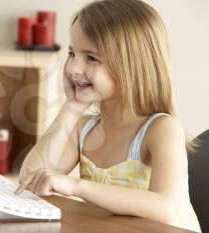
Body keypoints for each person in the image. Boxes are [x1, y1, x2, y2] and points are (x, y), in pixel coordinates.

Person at [14, 0, 201, 232]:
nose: (73, 68)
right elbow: (29, 178)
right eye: (72, 53)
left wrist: (76, 186)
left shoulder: (162, 129)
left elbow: (164, 208)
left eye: (90, 58)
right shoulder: (82, 129)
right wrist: (72, 106)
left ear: (130, 66)